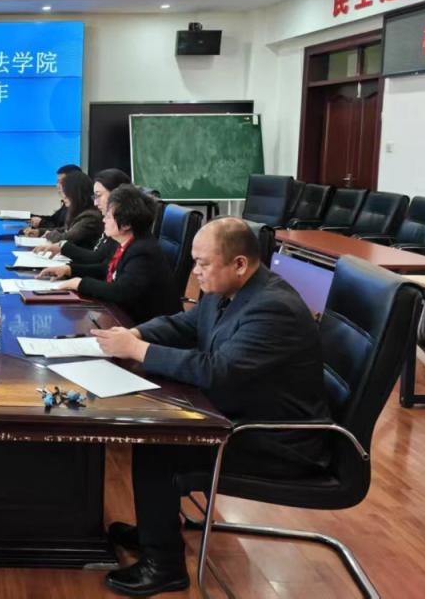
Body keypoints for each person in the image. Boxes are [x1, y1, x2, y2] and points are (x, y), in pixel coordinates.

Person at [92, 218, 330, 596]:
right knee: (158, 433)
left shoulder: (273, 308)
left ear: (239, 263)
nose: (195, 272)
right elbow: (186, 324)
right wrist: (135, 333)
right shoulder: (229, 289)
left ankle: (164, 566)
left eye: (203, 263)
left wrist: (139, 350)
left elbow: (216, 372)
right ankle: (156, 530)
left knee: (159, 446)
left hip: (277, 441)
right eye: (194, 261)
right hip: (243, 413)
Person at [37, 185, 181, 324]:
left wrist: (80, 283)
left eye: (108, 216)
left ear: (126, 224)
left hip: (148, 328)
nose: (103, 220)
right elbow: (106, 268)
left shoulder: (142, 251)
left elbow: (120, 291)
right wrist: (69, 270)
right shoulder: (128, 241)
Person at [37, 168, 131, 265]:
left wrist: (63, 249)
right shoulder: (85, 214)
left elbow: (99, 260)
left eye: (99, 195)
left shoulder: (92, 217)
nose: (95, 202)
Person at [30, 170, 103, 249]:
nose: (64, 197)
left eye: (66, 193)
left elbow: (65, 239)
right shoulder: (80, 212)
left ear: (76, 194)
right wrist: (40, 231)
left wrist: (48, 234)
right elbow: (65, 229)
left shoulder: (90, 217)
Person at [28, 163, 82, 231]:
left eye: (61, 182)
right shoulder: (67, 201)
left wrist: (41, 223)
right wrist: (28, 216)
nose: (58, 186)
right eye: (57, 182)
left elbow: (66, 230)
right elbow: (54, 220)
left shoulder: (80, 204)